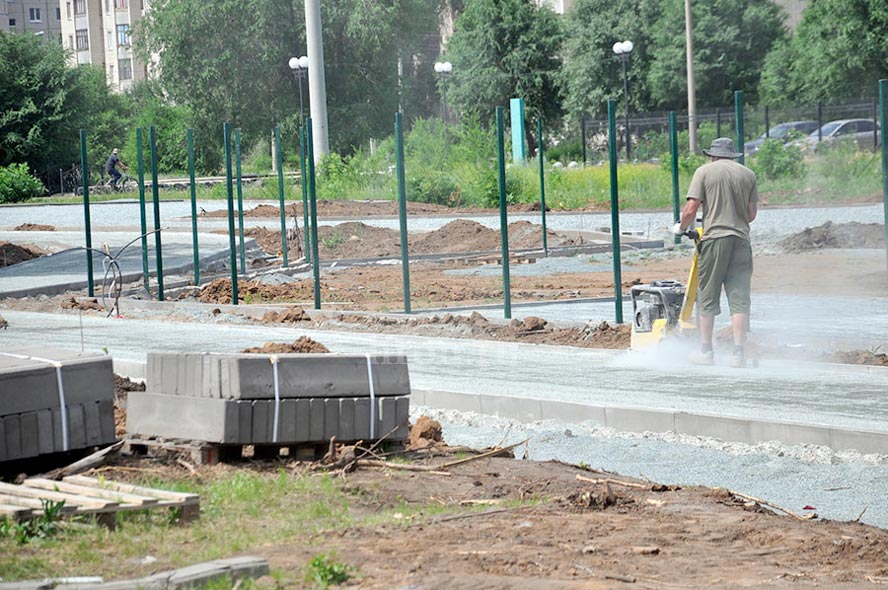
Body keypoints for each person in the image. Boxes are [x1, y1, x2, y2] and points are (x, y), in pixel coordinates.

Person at [672, 137, 758, 368]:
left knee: (708, 295)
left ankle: (706, 351)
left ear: (712, 155)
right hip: (741, 240)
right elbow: (751, 215)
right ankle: (739, 354)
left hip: (714, 239)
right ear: (732, 155)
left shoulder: (704, 172)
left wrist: (681, 228)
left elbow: (691, 208)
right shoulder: (748, 174)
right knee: (739, 298)